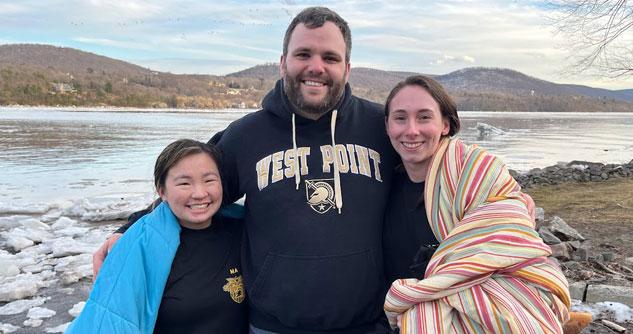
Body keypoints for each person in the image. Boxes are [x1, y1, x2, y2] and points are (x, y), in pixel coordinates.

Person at [94, 7, 398, 334]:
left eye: (330, 57)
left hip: (367, 323)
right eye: (303, 54)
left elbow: (433, 179)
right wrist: (129, 231)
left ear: (347, 68)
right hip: (272, 326)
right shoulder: (247, 135)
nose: (316, 67)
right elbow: (194, 188)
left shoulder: (382, 127)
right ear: (283, 63)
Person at [381, 75, 571, 333]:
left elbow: (515, 249)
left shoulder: (478, 176)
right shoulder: (381, 185)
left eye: (424, 117)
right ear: (387, 126)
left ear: (445, 124)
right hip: (394, 318)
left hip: (470, 310)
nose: (411, 130)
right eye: (400, 118)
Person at [69, 139, 248, 333]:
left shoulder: (243, 229)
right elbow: (107, 321)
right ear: (162, 191)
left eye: (209, 180)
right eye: (184, 183)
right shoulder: (140, 251)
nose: (199, 193)